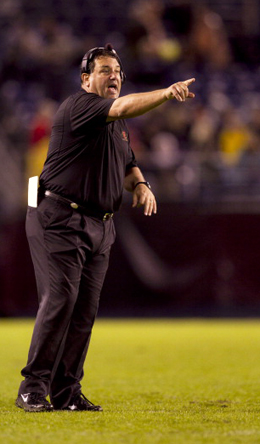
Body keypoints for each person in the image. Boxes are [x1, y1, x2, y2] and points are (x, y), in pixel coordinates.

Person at [16, 43, 195, 412]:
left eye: (117, 70)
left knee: (84, 310)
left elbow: (128, 164)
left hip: (99, 224)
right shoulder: (78, 107)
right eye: (104, 70)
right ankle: (32, 387)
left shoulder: (116, 124)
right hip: (60, 217)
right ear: (86, 79)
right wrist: (165, 91)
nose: (114, 76)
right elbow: (124, 106)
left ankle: (66, 391)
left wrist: (142, 184)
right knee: (61, 299)